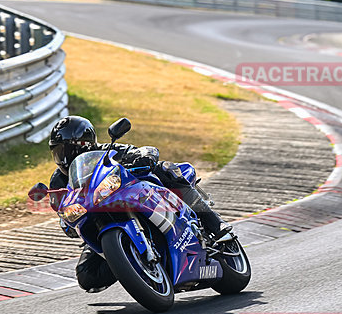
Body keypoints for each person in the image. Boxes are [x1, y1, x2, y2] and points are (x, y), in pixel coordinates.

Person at [47, 115, 231, 293]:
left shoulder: (108, 152)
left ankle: (215, 224)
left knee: (166, 169)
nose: (64, 157)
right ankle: (133, 264)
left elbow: (144, 150)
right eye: (58, 152)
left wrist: (144, 156)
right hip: (99, 219)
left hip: (133, 197)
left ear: (87, 143)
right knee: (87, 276)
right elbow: (62, 210)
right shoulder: (57, 181)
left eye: (69, 150)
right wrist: (67, 220)